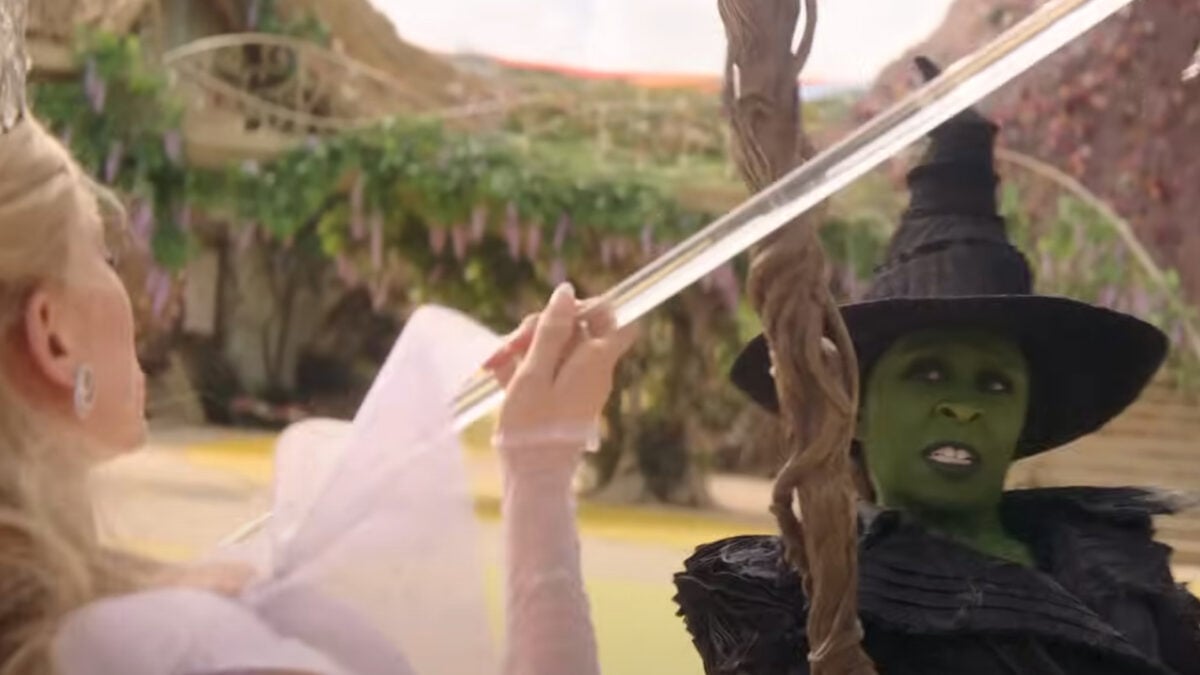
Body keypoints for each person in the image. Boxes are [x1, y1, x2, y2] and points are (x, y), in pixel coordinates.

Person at [0, 20, 635, 675]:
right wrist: (540, 465)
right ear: (54, 335)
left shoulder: (86, 625)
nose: (134, 295)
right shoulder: (162, 647)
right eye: (103, 255)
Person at [674, 57, 1200, 675]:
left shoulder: (1117, 567)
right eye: (926, 374)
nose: (962, 406)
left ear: (1023, 417)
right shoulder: (791, 600)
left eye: (995, 384)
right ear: (855, 409)